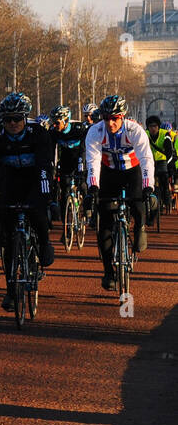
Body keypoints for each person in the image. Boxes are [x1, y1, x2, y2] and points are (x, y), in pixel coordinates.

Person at [0, 92, 55, 311]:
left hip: (34, 180)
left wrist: (47, 200)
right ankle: (11, 290)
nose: (13, 123)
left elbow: (44, 169)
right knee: (9, 239)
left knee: (38, 214)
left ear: (25, 118)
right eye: (8, 119)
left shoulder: (38, 133)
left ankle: (43, 243)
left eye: (17, 119)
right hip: (8, 183)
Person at [84, 95, 155, 291]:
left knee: (139, 206)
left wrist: (148, 187)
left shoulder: (135, 130)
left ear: (122, 117)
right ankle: (109, 271)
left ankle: (140, 228)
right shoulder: (95, 132)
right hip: (108, 173)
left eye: (115, 118)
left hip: (133, 171)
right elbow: (93, 162)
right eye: (106, 118)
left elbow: (146, 158)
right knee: (105, 222)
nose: (110, 122)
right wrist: (93, 188)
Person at [47, 105, 87, 218]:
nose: (54, 125)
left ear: (66, 120)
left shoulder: (79, 129)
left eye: (57, 122)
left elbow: (84, 149)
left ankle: (88, 210)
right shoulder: (53, 131)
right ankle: (66, 229)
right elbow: (51, 151)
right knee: (64, 192)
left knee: (83, 185)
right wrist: (52, 167)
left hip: (80, 159)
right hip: (65, 161)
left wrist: (81, 164)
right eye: (53, 122)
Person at [145, 115, 174, 219]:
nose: (153, 128)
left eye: (155, 126)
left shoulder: (165, 134)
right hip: (150, 162)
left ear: (158, 126)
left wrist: (170, 165)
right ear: (148, 127)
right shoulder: (145, 134)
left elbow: (169, 152)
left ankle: (167, 201)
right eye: (150, 126)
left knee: (165, 181)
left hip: (162, 161)